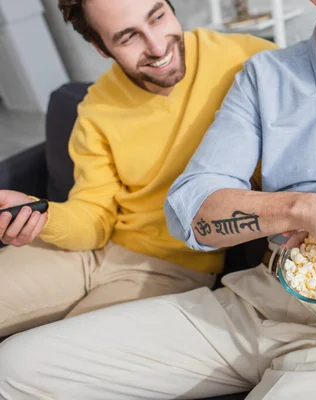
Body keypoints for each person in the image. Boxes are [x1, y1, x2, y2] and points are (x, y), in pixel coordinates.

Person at [0, 0, 316, 398]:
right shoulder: (265, 77)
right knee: (17, 368)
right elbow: (192, 211)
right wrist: (301, 208)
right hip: (250, 303)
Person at [0, 0, 276, 338]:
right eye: (128, 37)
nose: (157, 46)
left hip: (169, 269)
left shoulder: (249, 61)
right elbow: (92, 219)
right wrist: (40, 217)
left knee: (48, 359)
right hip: (85, 255)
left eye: (158, 17)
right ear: (100, 48)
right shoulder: (96, 107)